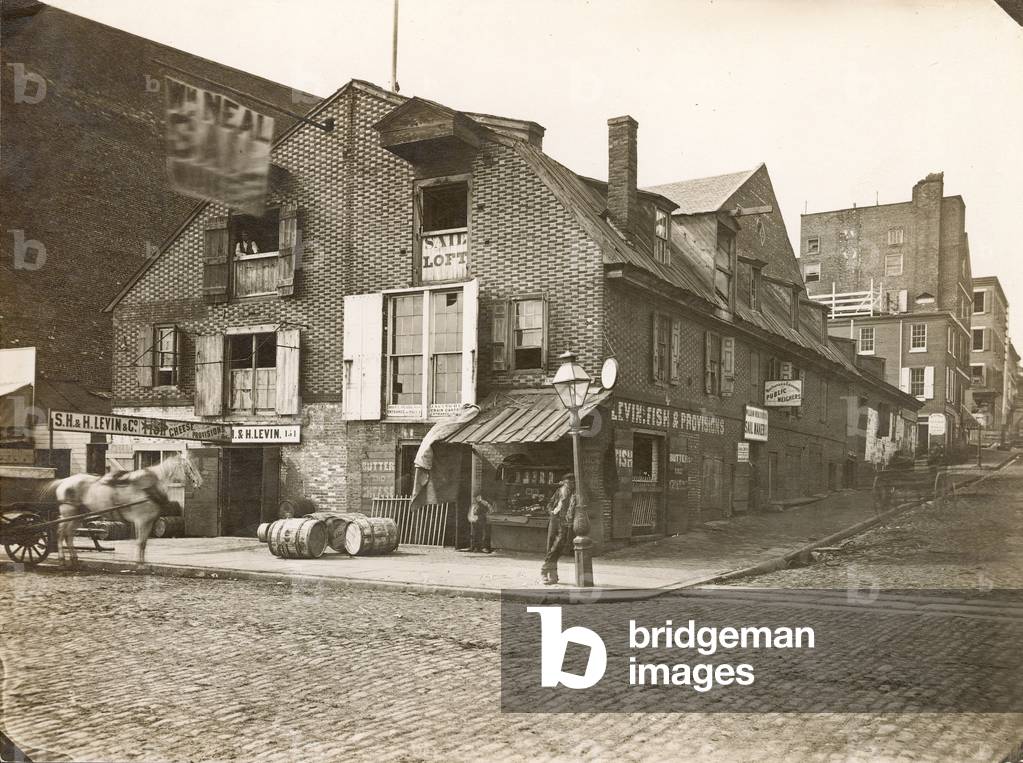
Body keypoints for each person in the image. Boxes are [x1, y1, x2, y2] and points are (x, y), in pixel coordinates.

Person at [541, 473, 577, 585]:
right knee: (551, 545)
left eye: (572, 482)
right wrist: (551, 512)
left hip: (565, 521)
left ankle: (544, 569)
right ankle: (553, 576)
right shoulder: (559, 491)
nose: (570, 484)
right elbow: (550, 503)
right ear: (564, 482)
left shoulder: (576, 493)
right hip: (555, 519)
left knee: (558, 545)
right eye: (568, 482)